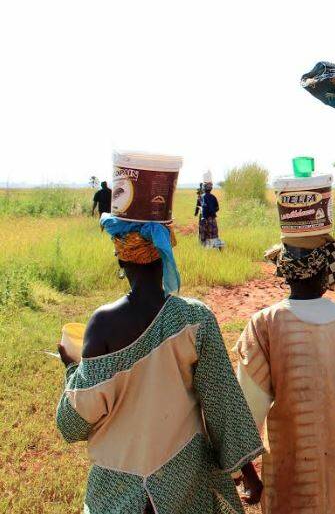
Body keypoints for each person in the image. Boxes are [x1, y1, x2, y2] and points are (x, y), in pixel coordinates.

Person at [55, 216, 263, 514]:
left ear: (120, 258)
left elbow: (72, 424)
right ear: (165, 254)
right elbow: (222, 401)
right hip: (184, 485)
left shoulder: (103, 325)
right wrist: (248, 472)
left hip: (117, 490)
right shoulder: (195, 319)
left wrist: (72, 369)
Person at [233, 237, 335, 514]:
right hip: (334, 476)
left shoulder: (264, 323)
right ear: (324, 272)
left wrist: (248, 475)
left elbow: (247, 415)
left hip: (284, 477)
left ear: (285, 272)